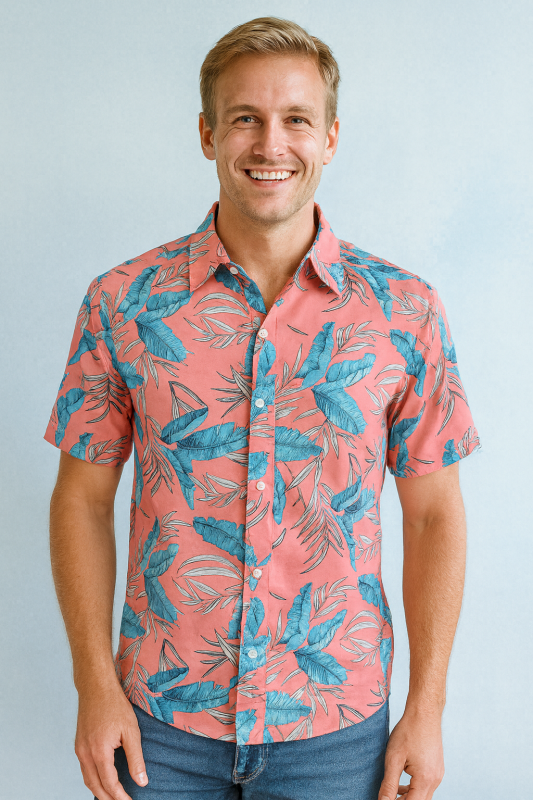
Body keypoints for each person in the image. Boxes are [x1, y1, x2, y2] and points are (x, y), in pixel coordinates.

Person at [43, 16, 481, 800]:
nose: (269, 144)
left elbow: (433, 517)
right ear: (207, 134)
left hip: (335, 729)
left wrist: (427, 705)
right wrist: (93, 687)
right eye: (244, 118)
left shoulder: (403, 310)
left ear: (330, 138)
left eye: (295, 120)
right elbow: (80, 500)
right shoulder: (123, 303)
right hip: (159, 723)